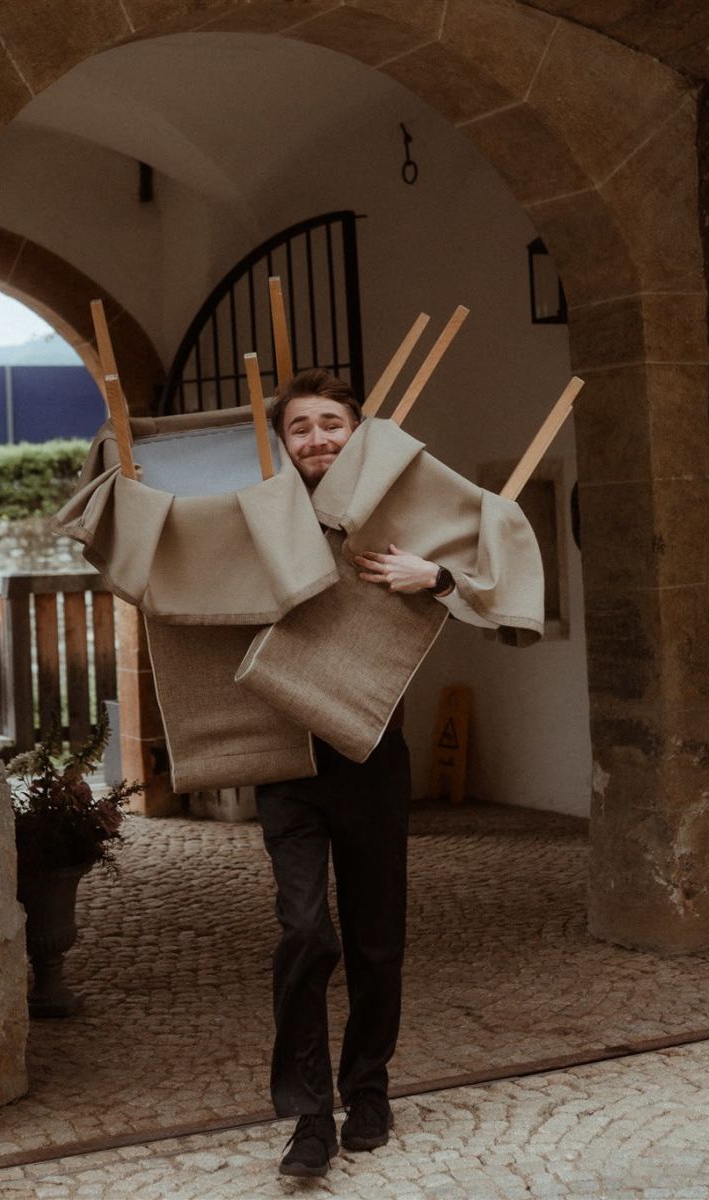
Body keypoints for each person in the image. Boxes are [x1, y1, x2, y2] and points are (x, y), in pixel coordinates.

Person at [257, 368, 456, 1179]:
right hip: (287, 759)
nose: (317, 439)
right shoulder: (256, 521)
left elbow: (491, 557)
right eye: (300, 427)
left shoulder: (402, 511)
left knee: (377, 941)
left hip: (373, 755)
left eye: (331, 423)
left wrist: (434, 577)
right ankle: (307, 1116)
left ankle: (368, 1088)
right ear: (283, 443)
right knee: (305, 931)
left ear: (357, 431)